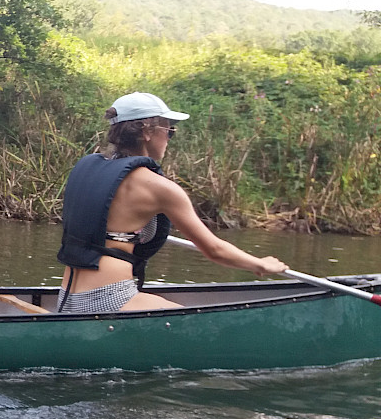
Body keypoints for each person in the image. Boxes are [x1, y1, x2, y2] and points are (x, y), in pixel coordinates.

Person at [56, 91, 288, 313]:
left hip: (65, 299)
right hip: (108, 299)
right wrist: (260, 264)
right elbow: (214, 250)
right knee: (195, 323)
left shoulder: (89, 168)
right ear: (146, 131)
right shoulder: (159, 188)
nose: (169, 138)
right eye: (169, 131)